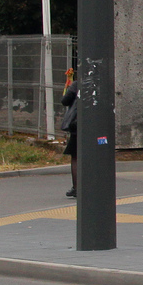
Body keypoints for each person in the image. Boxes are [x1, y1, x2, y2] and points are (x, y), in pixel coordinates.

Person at [60, 70, 79, 198]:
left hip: (78, 126)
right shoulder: (101, 83)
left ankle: (77, 187)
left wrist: (68, 88)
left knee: (76, 156)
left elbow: (65, 101)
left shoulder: (78, 84)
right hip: (97, 126)